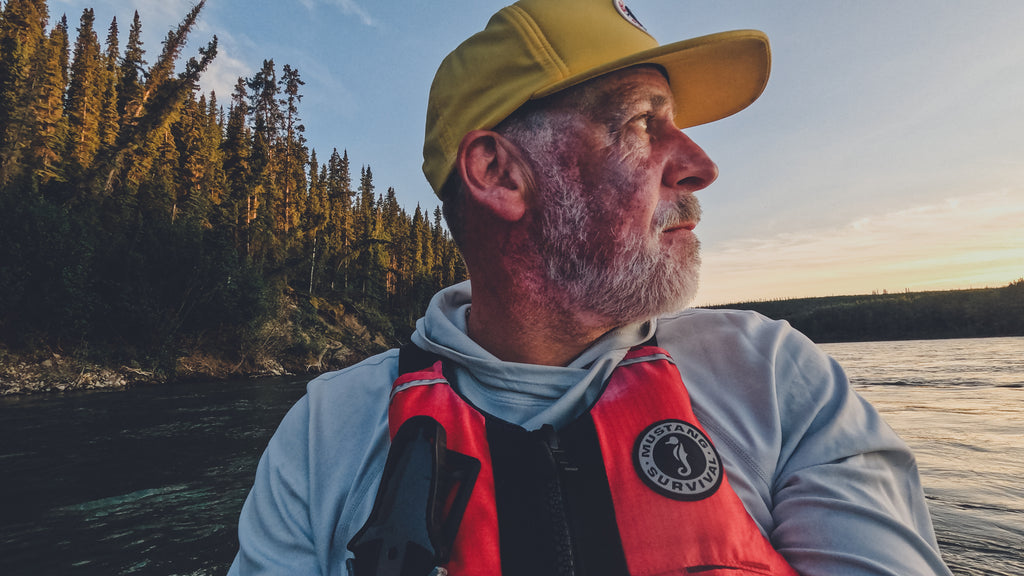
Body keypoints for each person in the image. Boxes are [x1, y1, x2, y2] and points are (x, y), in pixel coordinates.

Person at [229, 1, 952, 575]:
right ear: (501, 175)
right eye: (643, 123)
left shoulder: (775, 379)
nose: (701, 164)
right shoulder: (327, 434)